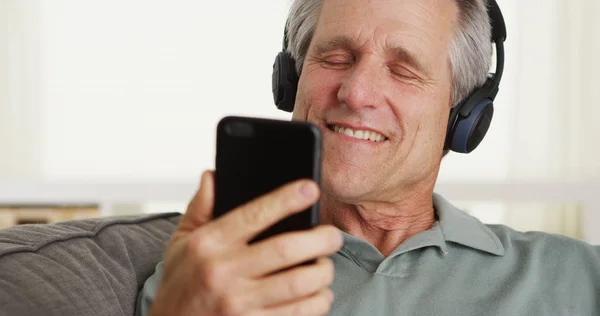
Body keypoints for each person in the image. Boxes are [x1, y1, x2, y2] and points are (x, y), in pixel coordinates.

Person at [136, 0, 600, 315]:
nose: (356, 92)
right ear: (290, 80)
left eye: (403, 69)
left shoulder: (581, 277)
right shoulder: (209, 275)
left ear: (462, 115)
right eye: (336, 57)